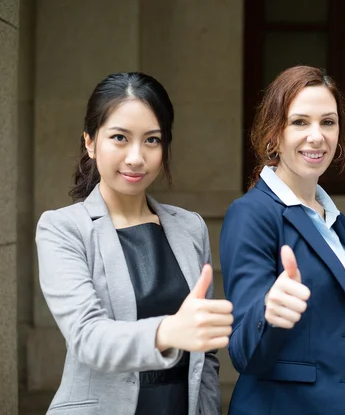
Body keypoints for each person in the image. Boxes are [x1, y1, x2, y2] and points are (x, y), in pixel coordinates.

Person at [35, 72, 233, 415]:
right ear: (90, 142)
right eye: (119, 138)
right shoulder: (63, 228)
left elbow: (205, 356)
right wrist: (168, 331)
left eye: (152, 140)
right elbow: (88, 338)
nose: (136, 157)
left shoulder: (190, 227)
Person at [220, 66, 345, 415]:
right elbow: (243, 352)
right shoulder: (252, 214)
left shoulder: (328, 215)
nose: (316, 136)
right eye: (300, 122)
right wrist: (269, 311)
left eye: (328, 122)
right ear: (274, 134)